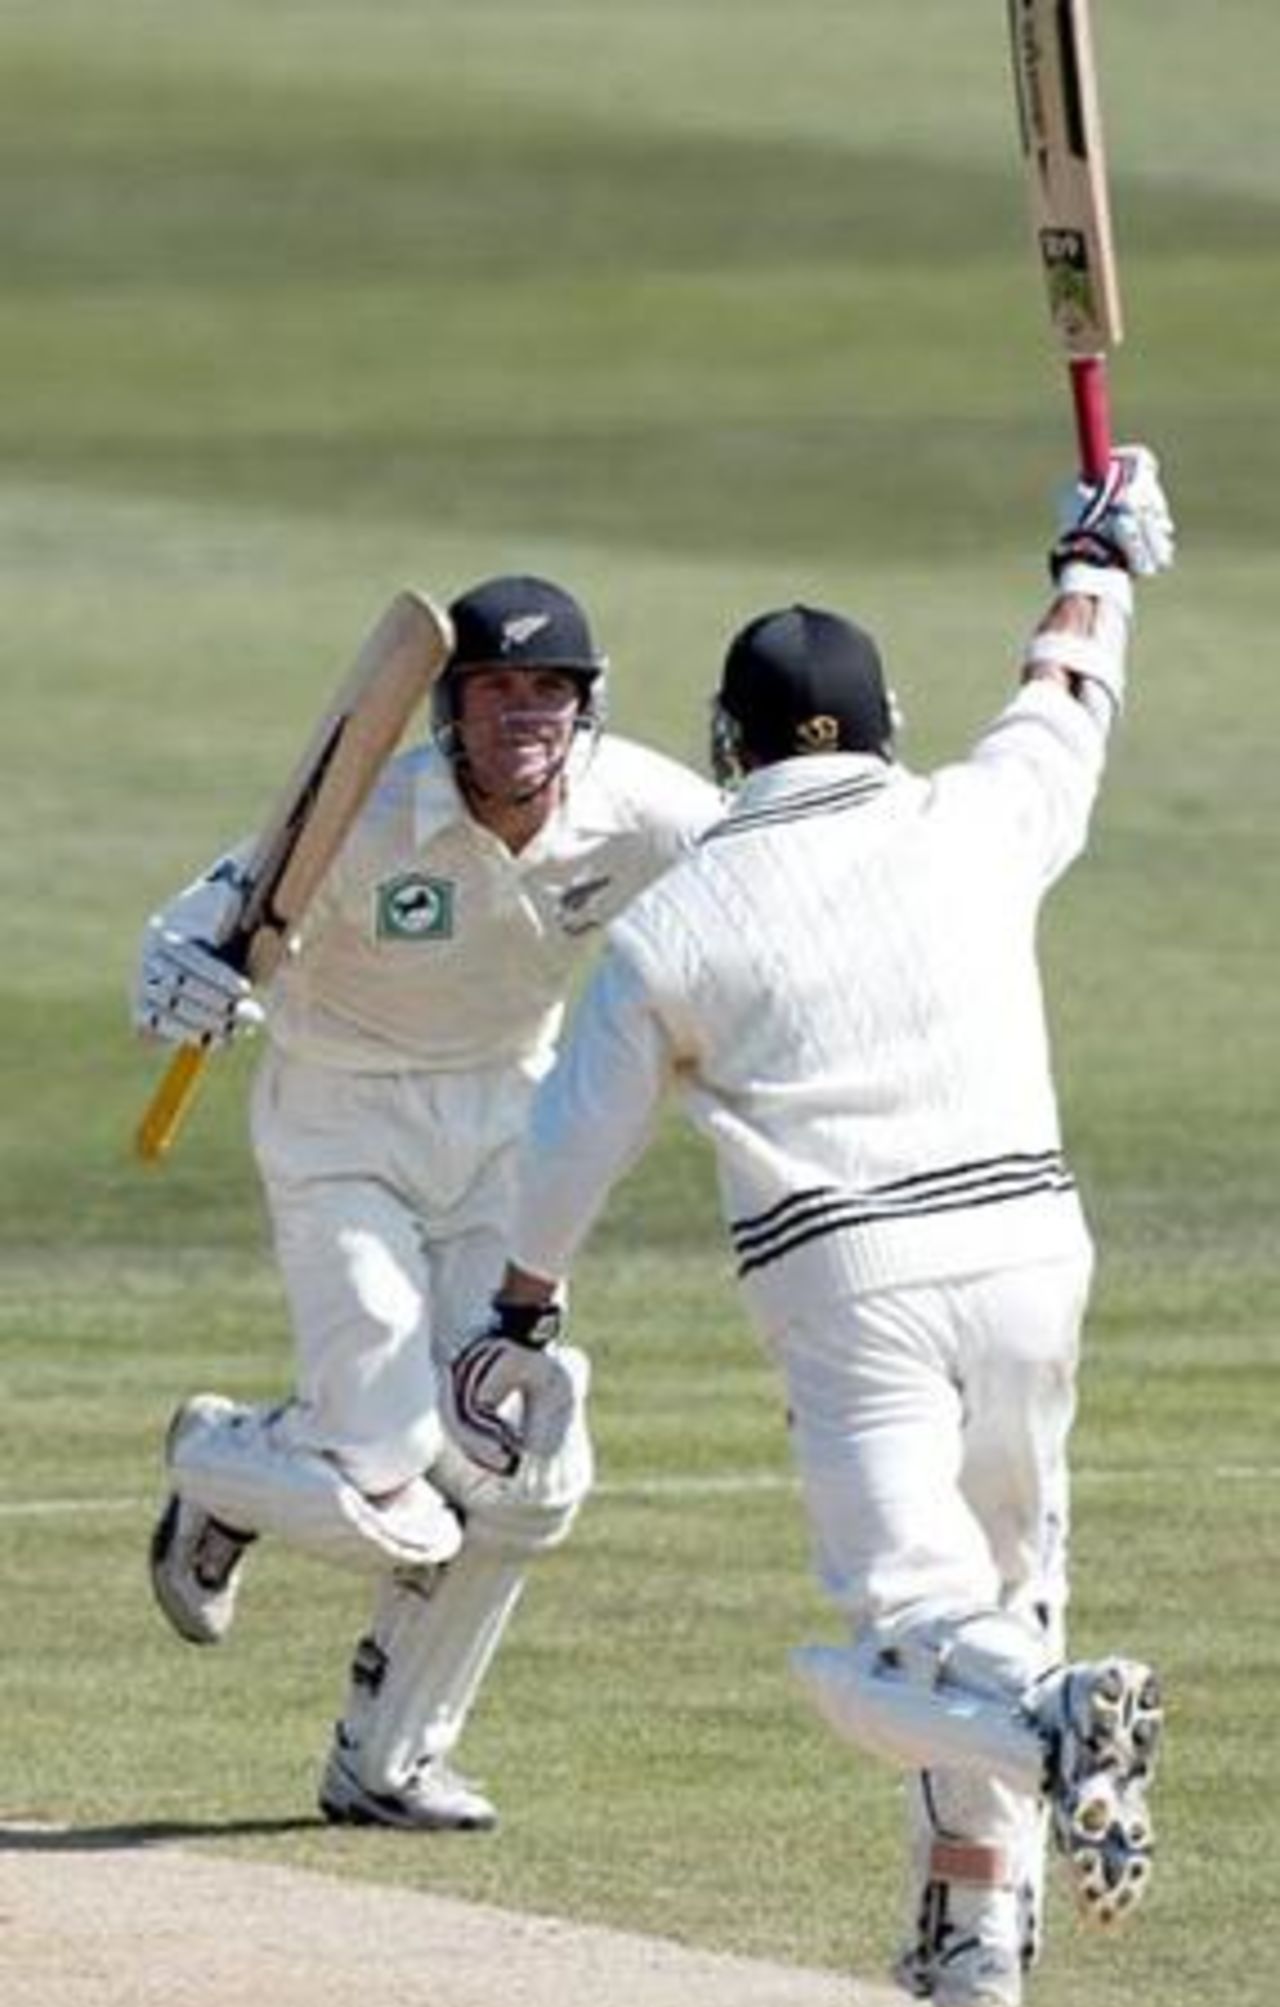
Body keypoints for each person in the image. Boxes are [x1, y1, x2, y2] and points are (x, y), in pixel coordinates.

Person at [441, 453, 1175, 2004]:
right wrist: (1095, 560)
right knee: (1004, 1579)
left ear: (728, 742)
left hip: (856, 1286)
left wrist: (516, 1302)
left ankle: (1053, 1717)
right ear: (888, 725)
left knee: (885, 1646)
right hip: (1038, 1256)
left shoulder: (678, 916)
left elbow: (576, 1136)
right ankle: (974, 1930)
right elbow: (1066, 693)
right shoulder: (975, 817)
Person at [133, 573, 724, 1831]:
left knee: (530, 1475)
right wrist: (184, 972)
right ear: (448, 707)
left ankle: (387, 1759)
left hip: (509, 1137)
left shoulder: (642, 811)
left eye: (548, 690)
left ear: (586, 705)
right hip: (341, 1128)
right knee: (388, 1485)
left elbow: (771, 874)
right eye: (496, 688)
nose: (524, 714)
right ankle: (220, 1467)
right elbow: (201, 924)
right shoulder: (368, 813)